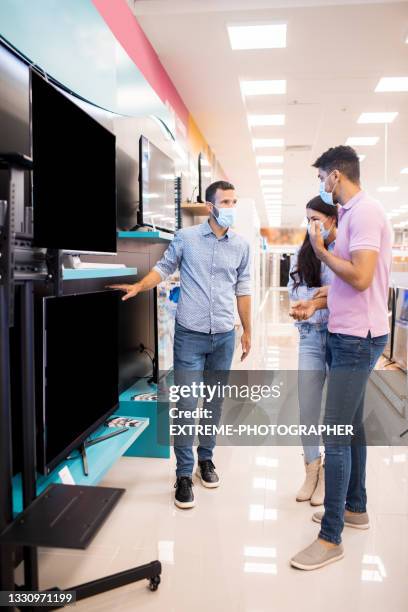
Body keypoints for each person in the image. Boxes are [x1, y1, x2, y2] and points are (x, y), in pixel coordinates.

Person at [108, 180, 252, 509]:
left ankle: (206, 461)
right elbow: (163, 268)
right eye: (225, 201)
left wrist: (248, 331)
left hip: (224, 337)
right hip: (190, 335)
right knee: (188, 407)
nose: (231, 207)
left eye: (234, 201)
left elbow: (243, 289)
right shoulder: (186, 239)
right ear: (209, 205)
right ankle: (184, 474)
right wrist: (139, 286)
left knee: (213, 405)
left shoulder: (241, 246)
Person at [290, 145, 391, 570]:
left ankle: (331, 538)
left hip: (356, 339)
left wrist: (322, 250)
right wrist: (319, 301)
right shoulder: (351, 215)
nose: (321, 185)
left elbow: (363, 277)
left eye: (321, 178)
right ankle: (356, 508)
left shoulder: (365, 212)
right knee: (350, 428)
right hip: (347, 333)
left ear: (335, 176)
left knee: (335, 435)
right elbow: (349, 283)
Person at [288, 196, 338, 506]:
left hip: (338, 337)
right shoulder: (301, 253)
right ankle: (311, 471)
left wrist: (319, 298)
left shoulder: (343, 252)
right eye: (308, 219)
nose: (311, 226)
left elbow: (346, 294)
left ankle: (329, 478)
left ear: (333, 219)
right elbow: (296, 293)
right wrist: (323, 297)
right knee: (307, 409)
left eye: (317, 219)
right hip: (309, 336)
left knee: (332, 412)